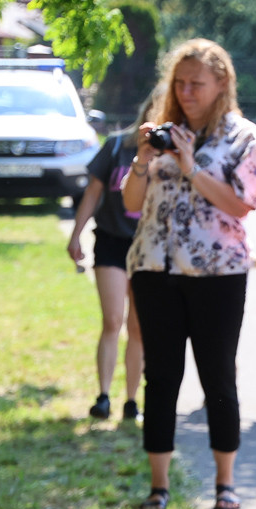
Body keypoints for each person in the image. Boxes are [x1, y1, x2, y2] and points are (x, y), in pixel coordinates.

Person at [122, 39, 256, 509]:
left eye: (196, 83)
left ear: (221, 83)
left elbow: (241, 204)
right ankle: (158, 487)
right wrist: (145, 158)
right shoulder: (165, 131)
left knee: (217, 375)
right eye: (179, 83)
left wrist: (190, 166)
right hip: (154, 266)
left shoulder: (242, 136)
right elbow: (130, 203)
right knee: (160, 377)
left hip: (217, 274)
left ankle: (225, 483)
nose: (185, 91)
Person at [68, 91, 158, 422]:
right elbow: (92, 191)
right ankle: (103, 396)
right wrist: (76, 234)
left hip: (147, 247)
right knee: (112, 320)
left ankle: (131, 400)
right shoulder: (117, 145)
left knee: (138, 328)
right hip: (110, 242)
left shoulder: (171, 152)